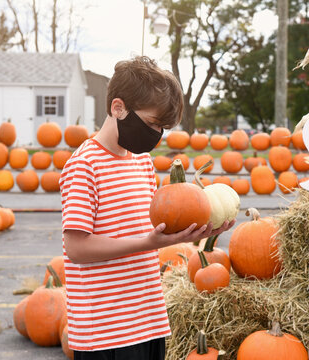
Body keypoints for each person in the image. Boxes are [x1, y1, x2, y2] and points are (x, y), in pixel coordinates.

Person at [59, 56, 234, 360]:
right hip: (105, 330)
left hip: (148, 320)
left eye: (162, 128)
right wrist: (148, 243)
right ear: (118, 108)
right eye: (153, 123)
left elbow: (150, 230)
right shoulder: (84, 165)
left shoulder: (142, 162)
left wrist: (197, 232)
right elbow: (76, 247)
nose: (156, 135)